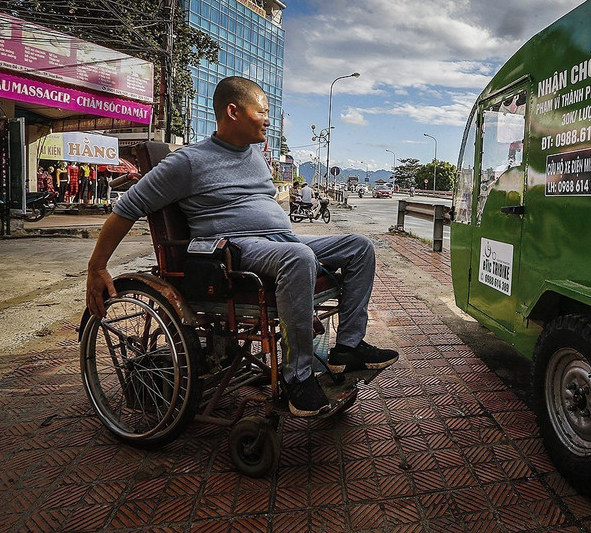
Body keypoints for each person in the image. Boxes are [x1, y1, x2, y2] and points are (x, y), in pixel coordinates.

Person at [85, 76, 398, 417]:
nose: (267, 119)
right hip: (232, 250)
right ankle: (299, 377)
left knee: (360, 246)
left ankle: (348, 349)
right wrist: (97, 267)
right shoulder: (188, 162)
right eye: (262, 111)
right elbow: (125, 209)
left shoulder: (255, 156)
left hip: (282, 242)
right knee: (299, 258)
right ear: (233, 112)